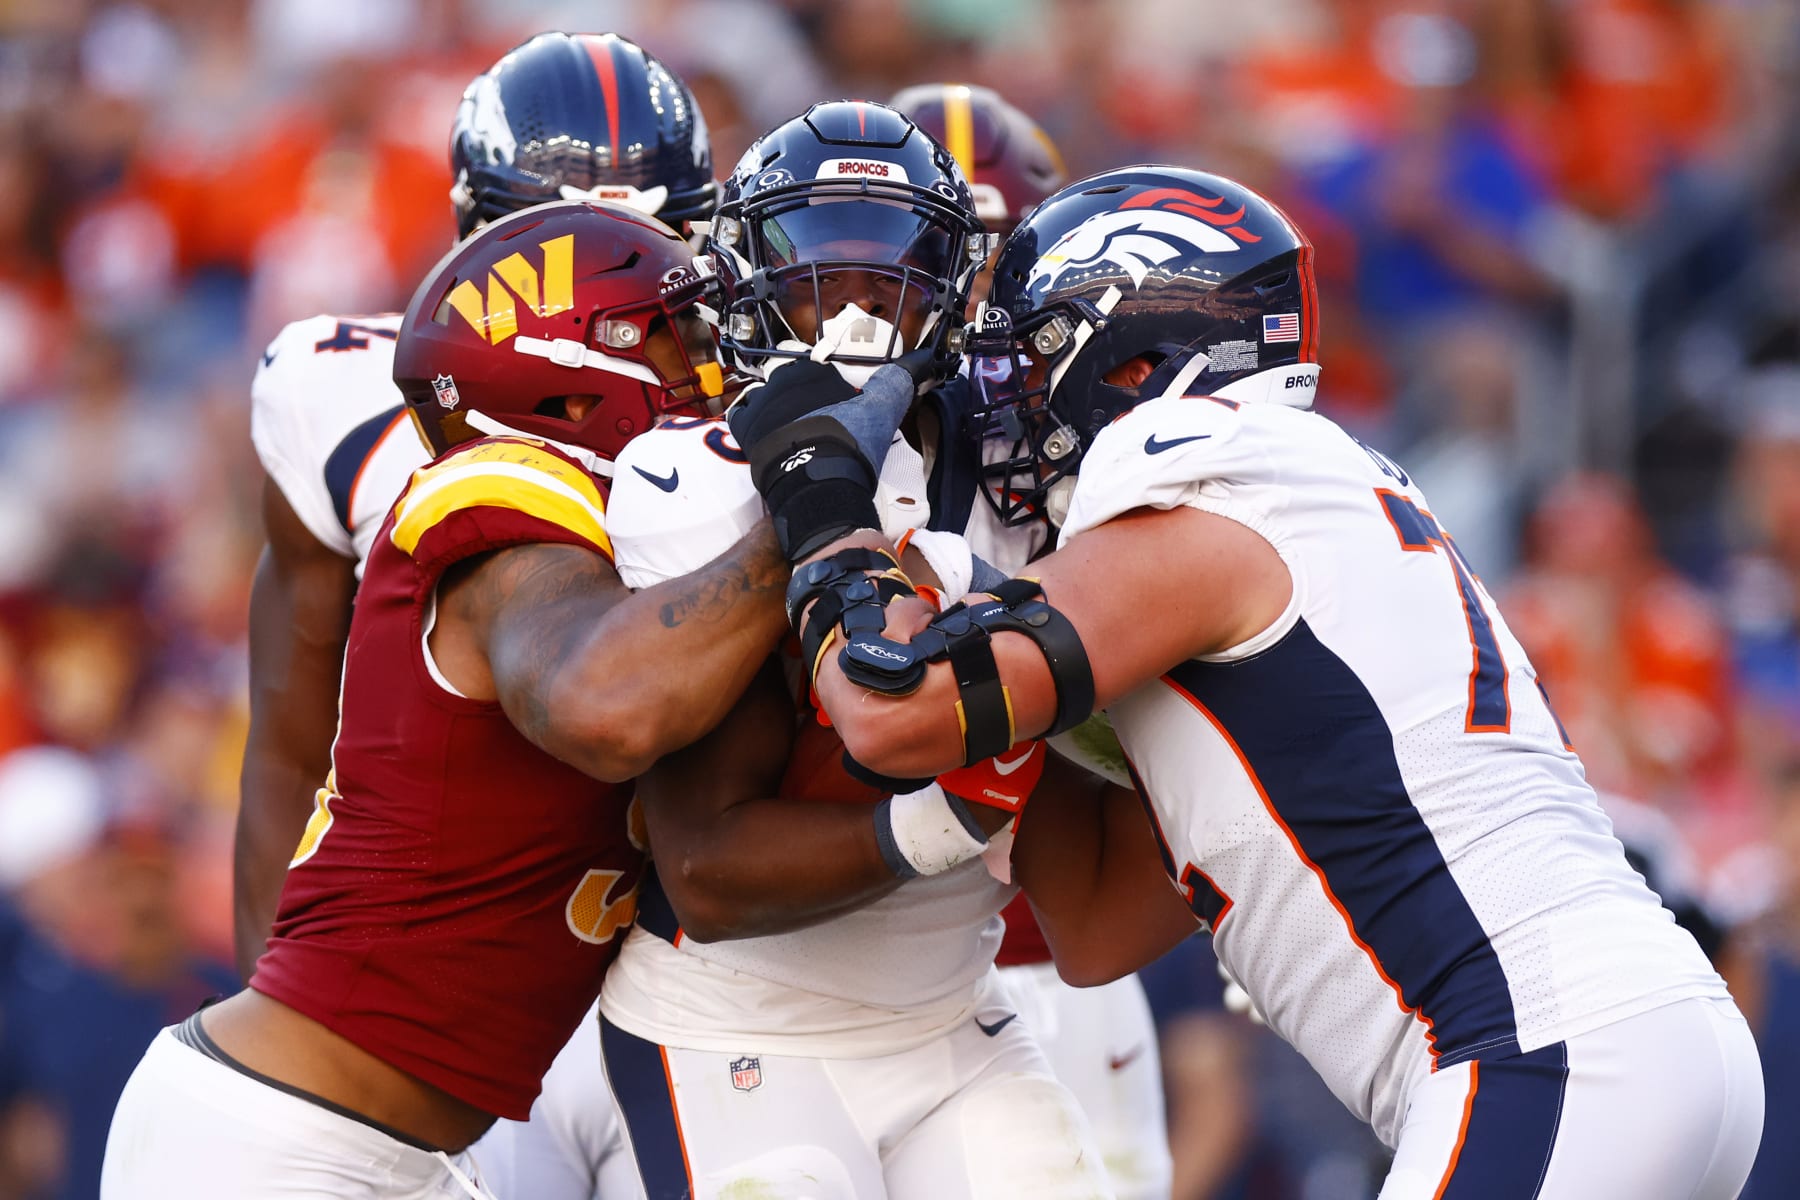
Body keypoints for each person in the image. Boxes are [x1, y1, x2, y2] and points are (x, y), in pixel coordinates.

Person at [735, 165, 1765, 1200]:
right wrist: (1030, 701)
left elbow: (892, 712)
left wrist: (823, 502)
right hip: (1621, 1043)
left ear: (1133, 362)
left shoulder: (1206, 498)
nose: (1011, 404)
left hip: (1544, 1050)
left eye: (1035, 357)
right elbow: (1093, 926)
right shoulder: (1293, 507)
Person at [101, 200, 788, 1198]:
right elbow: (610, 710)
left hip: (390, 1151)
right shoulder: (493, 498)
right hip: (281, 1148)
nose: (708, 366)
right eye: (670, 334)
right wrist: (805, 515)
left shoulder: (618, 548)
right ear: (565, 391)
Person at [593, 101, 1113, 1199]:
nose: (855, 310)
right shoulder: (697, 472)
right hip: (736, 1028)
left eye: (889, 277)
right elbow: (707, 871)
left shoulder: (1026, 478)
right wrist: (957, 814)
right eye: (816, 271)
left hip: (955, 1016)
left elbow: (1087, 880)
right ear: (740, 274)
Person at [235, 33, 714, 1197]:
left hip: (709, 956)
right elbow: (296, 750)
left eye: (649, 241)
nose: (607, 283)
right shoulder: (341, 395)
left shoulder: (745, 401)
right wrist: (277, 1006)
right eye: (557, 242)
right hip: (474, 985)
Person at [889, 81, 1171, 1200]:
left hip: (1050, 959)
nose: (971, 303)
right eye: (941, 256)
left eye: (1000, 259)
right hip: (828, 973)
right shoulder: (834, 438)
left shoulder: (1107, 455)